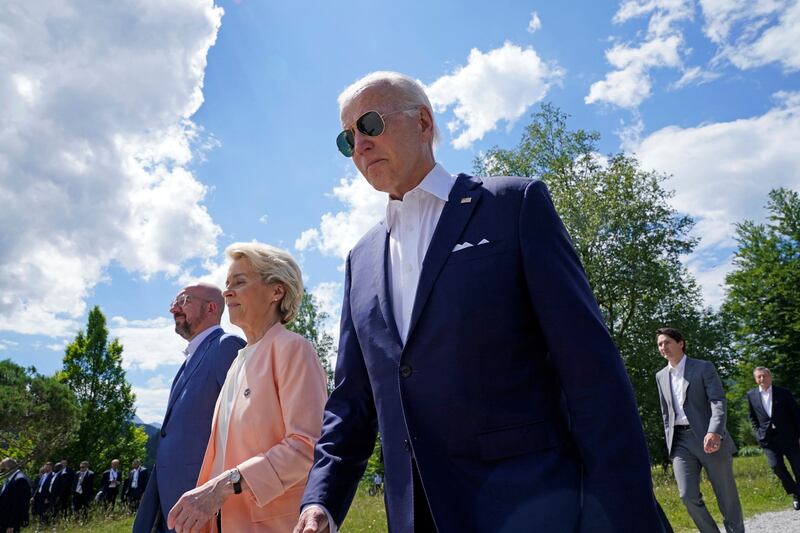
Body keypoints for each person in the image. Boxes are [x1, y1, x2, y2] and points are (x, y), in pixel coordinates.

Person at [295, 71, 665, 533]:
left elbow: (592, 371)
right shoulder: (361, 259)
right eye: (346, 138)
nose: (360, 145)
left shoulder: (513, 205)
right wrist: (321, 501)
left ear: (423, 123)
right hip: (418, 518)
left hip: (535, 506)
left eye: (369, 124)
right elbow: (351, 402)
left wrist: (616, 510)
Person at [167, 242, 328, 532]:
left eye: (239, 282)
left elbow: (308, 447)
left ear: (277, 291)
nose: (227, 291)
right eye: (227, 283)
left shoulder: (293, 349)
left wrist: (226, 484)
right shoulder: (237, 362)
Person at [134, 283, 245, 533]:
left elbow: (244, 426)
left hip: (204, 506)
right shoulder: (188, 362)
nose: (174, 308)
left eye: (184, 300)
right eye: (174, 302)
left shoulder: (226, 346)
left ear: (211, 307)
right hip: (173, 505)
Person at [655, 327, 744, 533]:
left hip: (710, 438)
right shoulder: (660, 376)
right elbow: (666, 413)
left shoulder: (703, 367)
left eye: (667, 342)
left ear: (681, 343)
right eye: (660, 344)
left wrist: (714, 431)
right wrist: (669, 442)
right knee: (687, 495)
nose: (663, 347)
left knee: (726, 496)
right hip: (680, 442)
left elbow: (718, 401)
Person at [747, 366, 800, 510]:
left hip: (789, 437)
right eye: (759, 376)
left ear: (770, 377)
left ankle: (798, 496)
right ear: (755, 379)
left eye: (764, 376)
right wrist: (758, 433)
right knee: (776, 467)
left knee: (798, 467)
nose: (762, 379)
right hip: (768, 439)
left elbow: (796, 413)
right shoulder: (751, 395)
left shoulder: (783, 393)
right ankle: (795, 492)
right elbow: (752, 417)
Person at [0, 458, 31, 533]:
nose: (1, 472)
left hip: (9, 524)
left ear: (8, 467)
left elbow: (18, 505)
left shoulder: (20, 480)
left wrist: (12, 525)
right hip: (4, 521)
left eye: (2, 470)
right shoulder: (11, 477)